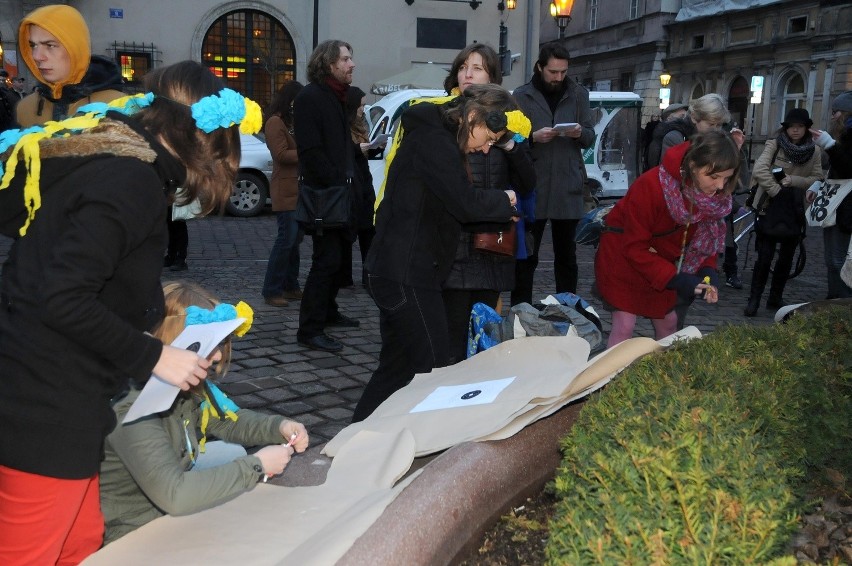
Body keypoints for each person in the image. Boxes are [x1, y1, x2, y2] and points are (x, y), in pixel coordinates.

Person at [0, 60, 255, 564]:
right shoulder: (129, 180)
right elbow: (63, 296)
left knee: (80, 544)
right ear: (199, 139)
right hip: (45, 408)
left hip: (66, 397)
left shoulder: (115, 157)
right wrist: (155, 356)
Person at [352, 83, 519, 422]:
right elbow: (464, 202)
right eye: (488, 138)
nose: (487, 149)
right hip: (404, 275)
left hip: (404, 271)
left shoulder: (440, 139)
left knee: (397, 369)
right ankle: (422, 447)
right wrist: (505, 201)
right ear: (473, 116)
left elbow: (451, 208)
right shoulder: (435, 142)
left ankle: (356, 438)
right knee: (436, 368)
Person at [100, 281, 309, 545]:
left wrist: (278, 427)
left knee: (233, 453)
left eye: (220, 342)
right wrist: (256, 467)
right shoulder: (132, 408)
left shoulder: (184, 384)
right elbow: (175, 495)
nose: (219, 356)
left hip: (165, 497)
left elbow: (228, 422)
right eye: (209, 343)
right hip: (134, 529)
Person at [595, 131, 741, 349]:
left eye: (726, 178)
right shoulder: (651, 185)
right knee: (625, 324)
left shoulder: (711, 198)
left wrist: (708, 272)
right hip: (622, 255)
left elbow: (705, 241)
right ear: (692, 165)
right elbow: (635, 247)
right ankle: (611, 379)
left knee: (668, 321)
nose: (720, 186)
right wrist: (677, 279)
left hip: (658, 261)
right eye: (713, 177)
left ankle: (662, 376)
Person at [440, 43, 536, 363]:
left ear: (492, 76)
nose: (468, 73)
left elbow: (528, 183)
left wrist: (508, 141)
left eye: (477, 68)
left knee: (484, 331)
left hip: (491, 246)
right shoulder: (443, 116)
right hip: (452, 244)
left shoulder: (512, 121)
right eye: (463, 66)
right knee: (452, 333)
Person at [511, 42, 595, 306]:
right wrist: (532, 138)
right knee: (527, 256)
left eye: (563, 72)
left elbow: (591, 136)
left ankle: (568, 310)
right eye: (553, 72)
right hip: (532, 184)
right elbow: (510, 139)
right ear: (540, 67)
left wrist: (580, 132)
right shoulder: (522, 95)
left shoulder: (578, 94)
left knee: (567, 257)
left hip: (567, 185)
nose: (558, 77)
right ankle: (520, 310)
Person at [293, 39, 360, 353]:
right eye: (346, 59)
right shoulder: (311, 97)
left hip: (340, 194)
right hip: (325, 197)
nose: (352, 64)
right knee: (326, 261)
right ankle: (310, 328)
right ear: (329, 63)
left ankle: (329, 312)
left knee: (339, 260)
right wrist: (337, 181)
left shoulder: (335, 97)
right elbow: (311, 151)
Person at [745, 108, 823, 316]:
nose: (795, 131)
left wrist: (794, 181)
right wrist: (777, 190)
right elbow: (760, 169)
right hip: (770, 206)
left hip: (794, 209)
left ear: (806, 128)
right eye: (791, 127)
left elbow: (817, 177)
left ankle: (775, 297)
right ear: (786, 128)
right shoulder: (775, 144)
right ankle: (754, 299)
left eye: (799, 127)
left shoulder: (814, 151)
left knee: (786, 257)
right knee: (765, 255)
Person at [15, 4, 125, 127]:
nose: (36, 56)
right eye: (33, 45)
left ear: (76, 48)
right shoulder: (25, 108)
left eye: (50, 45)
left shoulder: (118, 105)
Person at [262, 80, 305, 307]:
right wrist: (307, 151)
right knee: (286, 239)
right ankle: (272, 289)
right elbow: (281, 154)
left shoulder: (288, 121)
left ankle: (290, 285)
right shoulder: (274, 122)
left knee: (294, 240)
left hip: (296, 189)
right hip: (285, 188)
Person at [810, 90, 852, 299]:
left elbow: (848, 168)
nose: (833, 116)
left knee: (838, 260)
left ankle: (840, 305)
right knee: (832, 259)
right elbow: (834, 171)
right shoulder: (842, 135)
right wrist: (817, 186)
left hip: (846, 208)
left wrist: (830, 146)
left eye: (837, 111)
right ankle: (835, 301)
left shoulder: (848, 136)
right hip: (836, 204)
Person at [346, 85, 381, 287]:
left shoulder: (360, 125)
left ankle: (368, 276)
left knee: (369, 230)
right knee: (353, 231)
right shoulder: (345, 126)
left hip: (364, 183)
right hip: (353, 185)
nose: (363, 109)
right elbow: (346, 152)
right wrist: (359, 149)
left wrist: (375, 148)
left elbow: (362, 154)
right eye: (361, 105)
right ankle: (346, 276)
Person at [646, 94, 731, 170]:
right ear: (694, 118)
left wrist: (733, 149)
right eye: (710, 124)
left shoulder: (719, 139)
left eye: (719, 125)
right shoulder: (675, 137)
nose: (715, 130)